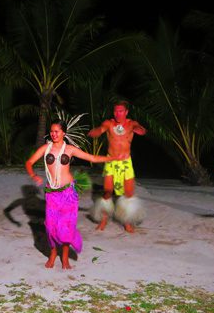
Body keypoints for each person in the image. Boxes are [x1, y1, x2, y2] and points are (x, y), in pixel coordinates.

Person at [25, 119, 122, 269]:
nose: (53, 134)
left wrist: (112, 158)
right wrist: (33, 176)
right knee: (51, 228)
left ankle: (64, 258)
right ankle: (53, 254)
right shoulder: (46, 148)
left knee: (66, 227)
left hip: (68, 193)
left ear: (63, 133)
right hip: (52, 194)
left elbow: (92, 158)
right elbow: (29, 163)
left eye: (57, 131)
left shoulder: (70, 149)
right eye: (52, 131)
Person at [87, 100, 147, 233]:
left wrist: (139, 129)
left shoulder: (131, 124)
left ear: (126, 112)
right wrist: (96, 131)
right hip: (111, 161)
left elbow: (142, 130)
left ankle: (127, 222)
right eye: (116, 111)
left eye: (121, 111)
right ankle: (103, 220)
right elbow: (100, 129)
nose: (118, 113)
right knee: (107, 192)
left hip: (126, 163)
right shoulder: (109, 123)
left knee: (128, 193)